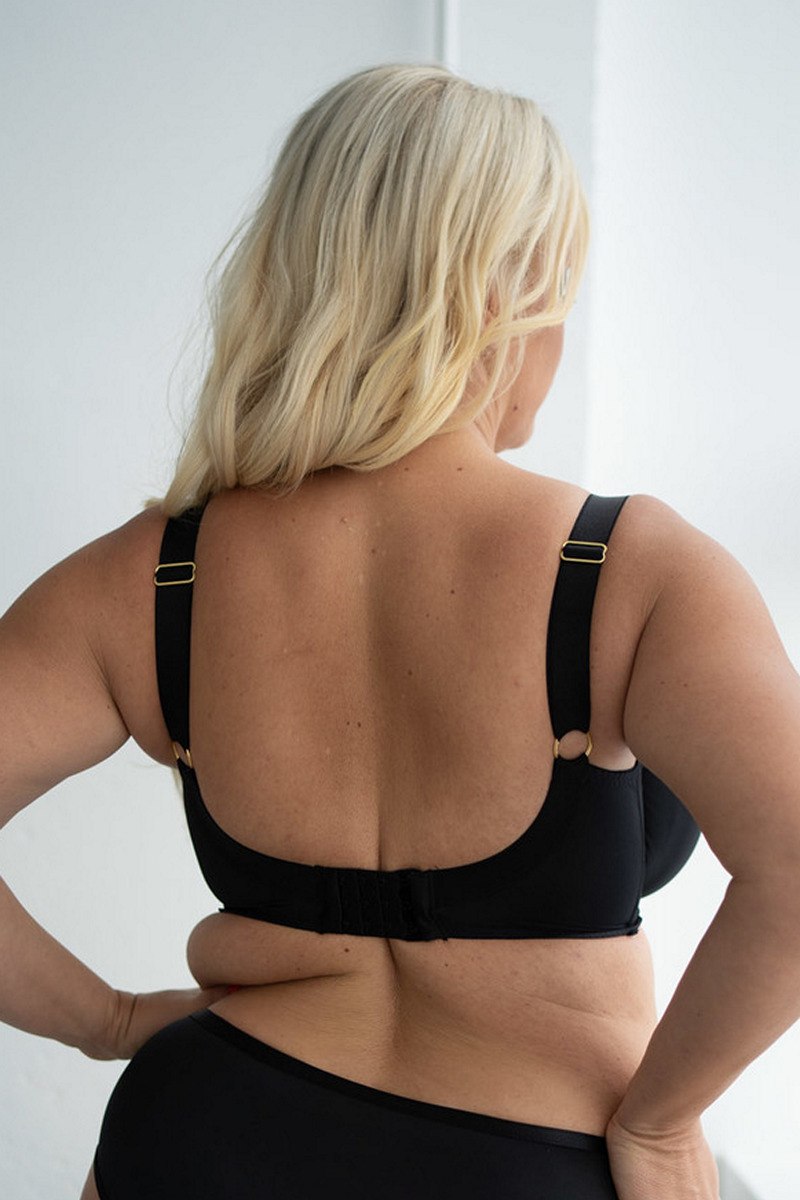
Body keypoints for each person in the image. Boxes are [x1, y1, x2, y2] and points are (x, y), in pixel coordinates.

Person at [1, 61, 798, 1200]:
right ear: (506, 298)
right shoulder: (635, 571)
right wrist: (665, 1122)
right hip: (531, 1165)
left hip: (202, 1131)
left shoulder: (150, 576)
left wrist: (112, 1023)